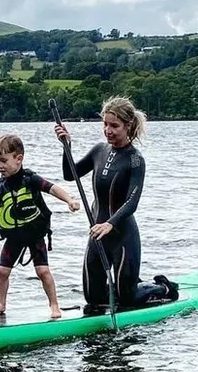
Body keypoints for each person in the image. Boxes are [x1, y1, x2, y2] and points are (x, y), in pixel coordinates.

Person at [54, 96, 178, 310]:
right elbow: (69, 174)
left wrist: (110, 223)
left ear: (128, 125)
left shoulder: (135, 160)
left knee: (127, 299)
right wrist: (67, 146)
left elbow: (132, 201)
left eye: (114, 126)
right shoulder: (99, 151)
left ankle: (162, 287)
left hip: (123, 236)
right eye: (105, 124)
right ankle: (127, 285)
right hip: (98, 235)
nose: (108, 130)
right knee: (93, 299)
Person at [0, 133, 80, 318]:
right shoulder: (1, 185)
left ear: (19, 159)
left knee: (42, 271)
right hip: (14, 236)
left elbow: (52, 188)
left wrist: (69, 200)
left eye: (3, 160)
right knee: (2, 271)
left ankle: (54, 306)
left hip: (35, 234)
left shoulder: (30, 179)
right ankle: (1, 303)